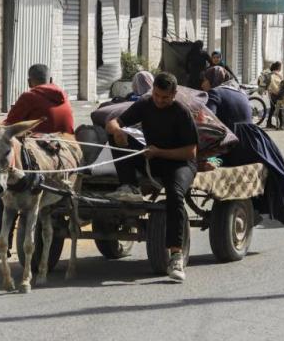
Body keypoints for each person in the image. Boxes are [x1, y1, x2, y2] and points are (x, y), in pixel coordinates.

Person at [106, 73, 198, 281]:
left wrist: (159, 152)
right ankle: (128, 185)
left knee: (175, 195)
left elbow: (190, 152)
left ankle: (176, 255)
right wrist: (117, 130)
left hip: (179, 162)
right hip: (153, 157)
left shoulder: (181, 112)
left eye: (164, 97)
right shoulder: (145, 103)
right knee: (115, 136)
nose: (159, 100)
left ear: (174, 95)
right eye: (156, 95)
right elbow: (113, 122)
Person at [0, 64, 75, 260]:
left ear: (30, 81)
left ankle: (1, 239)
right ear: (50, 80)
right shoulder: (64, 96)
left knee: (0, 186)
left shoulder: (28, 97)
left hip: (39, 154)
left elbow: (6, 128)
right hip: (65, 152)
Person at [201, 66, 252, 132]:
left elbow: (207, 121)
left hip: (234, 138)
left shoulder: (215, 92)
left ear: (213, 80)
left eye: (205, 80)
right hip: (252, 137)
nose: (202, 85)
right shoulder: (241, 92)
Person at [266, 61, 284, 129]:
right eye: (280, 67)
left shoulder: (270, 74)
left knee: (272, 108)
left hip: (271, 94)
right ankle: (281, 124)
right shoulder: (278, 74)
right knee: (280, 108)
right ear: (278, 67)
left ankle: (269, 123)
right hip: (277, 93)